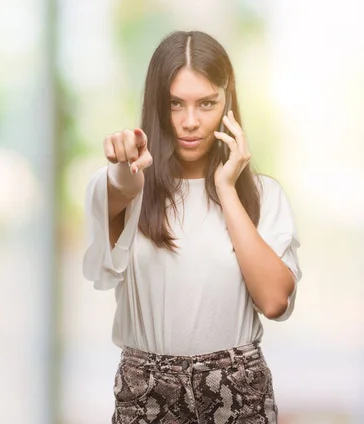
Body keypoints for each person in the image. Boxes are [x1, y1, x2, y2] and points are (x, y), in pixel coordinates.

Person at [82, 31, 302, 423]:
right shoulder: (127, 187)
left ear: (227, 102)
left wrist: (226, 189)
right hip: (147, 395)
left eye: (206, 103)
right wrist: (122, 165)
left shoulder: (264, 196)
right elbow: (121, 186)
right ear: (156, 104)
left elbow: (274, 301)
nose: (190, 121)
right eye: (175, 104)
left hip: (238, 395)